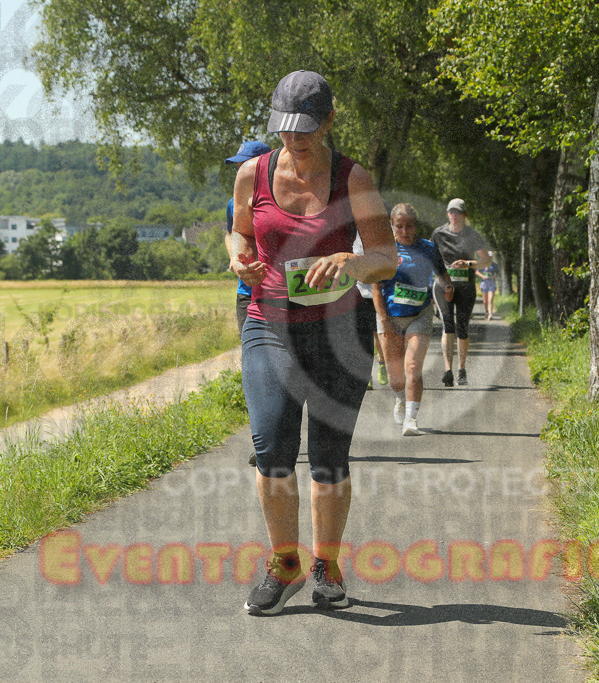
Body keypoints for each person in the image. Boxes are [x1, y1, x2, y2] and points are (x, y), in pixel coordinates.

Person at [230, 70, 397, 615]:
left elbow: (386, 258)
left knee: (328, 457)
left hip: (339, 330)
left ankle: (326, 564)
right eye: (283, 127)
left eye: (304, 128)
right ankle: (285, 566)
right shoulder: (253, 173)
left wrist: (352, 261)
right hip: (268, 322)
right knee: (271, 448)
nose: (293, 138)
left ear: (328, 121)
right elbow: (241, 232)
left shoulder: (353, 178)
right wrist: (238, 258)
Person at [372, 203, 449, 436]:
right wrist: (384, 320)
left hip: (420, 315)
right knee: (396, 378)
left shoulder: (428, 248)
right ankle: (399, 398)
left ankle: (411, 420)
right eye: (399, 226)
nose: (405, 231)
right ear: (392, 226)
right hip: (390, 316)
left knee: (413, 368)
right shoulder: (385, 251)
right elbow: (376, 288)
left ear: (416, 226)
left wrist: (448, 287)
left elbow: (442, 275)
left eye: (409, 226)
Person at [223, 139, 271, 467]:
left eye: (246, 163)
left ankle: (284, 432)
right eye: (237, 164)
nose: (240, 170)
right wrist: (234, 259)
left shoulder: (286, 199)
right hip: (246, 295)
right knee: (256, 368)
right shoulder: (233, 202)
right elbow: (231, 234)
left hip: (282, 296)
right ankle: (263, 441)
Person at [430, 198, 491, 387]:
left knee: (462, 327)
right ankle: (448, 370)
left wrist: (468, 264)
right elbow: (431, 258)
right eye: (451, 212)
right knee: (447, 325)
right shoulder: (438, 234)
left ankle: (461, 370)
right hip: (444, 285)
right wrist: (441, 275)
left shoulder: (473, 235)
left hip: (466, 286)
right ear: (447, 214)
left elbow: (486, 261)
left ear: (464, 214)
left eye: (458, 212)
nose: (454, 215)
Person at [352, 233, 389, 390]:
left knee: (377, 334)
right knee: (362, 335)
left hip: (378, 293)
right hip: (359, 292)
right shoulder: (351, 236)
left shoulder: (378, 232)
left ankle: (381, 363)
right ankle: (366, 374)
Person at [477, 256, 498, 321]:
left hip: (492, 283)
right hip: (484, 284)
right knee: (485, 301)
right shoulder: (482, 264)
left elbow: (497, 273)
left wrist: (494, 276)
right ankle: (486, 312)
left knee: (490, 299)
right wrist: (482, 276)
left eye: (491, 257)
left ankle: (490, 314)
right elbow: (477, 272)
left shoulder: (494, 265)